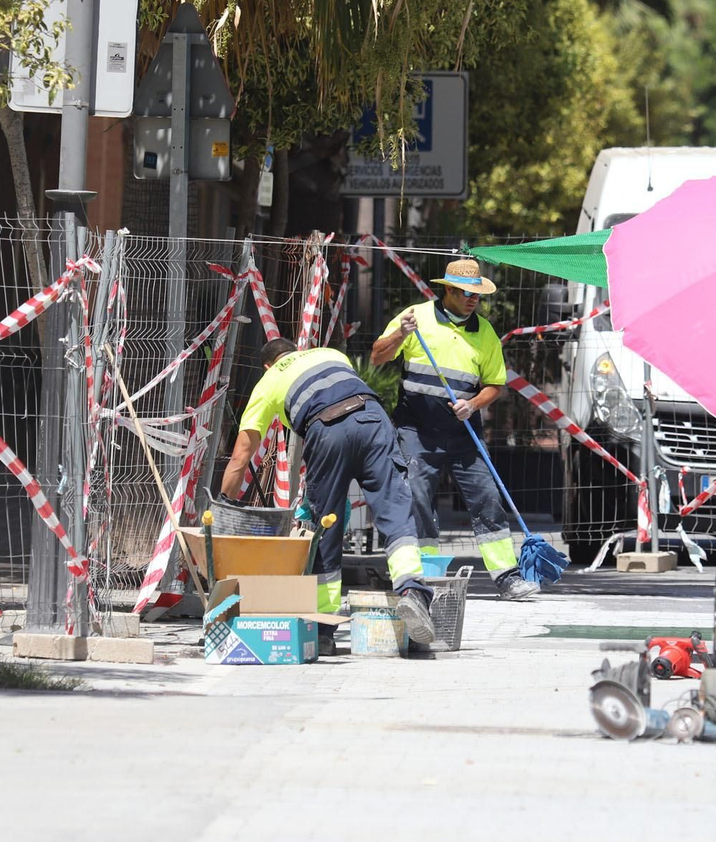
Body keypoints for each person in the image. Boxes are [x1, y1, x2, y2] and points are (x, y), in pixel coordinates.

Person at [220, 338, 435, 645]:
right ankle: (412, 588)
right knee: (394, 508)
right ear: (297, 351)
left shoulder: (269, 381)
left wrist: (225, 504)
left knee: (326, 525)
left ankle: (323, 630)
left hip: (326, 428)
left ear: (267, 366)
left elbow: (242, 455)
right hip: (373, 418)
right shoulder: (328, 354)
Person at [369, 258, 538, 600]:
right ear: (447, 290)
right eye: (465, 292)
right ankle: (424, 575)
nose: (473, 299)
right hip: (415, 429)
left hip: (464, 432)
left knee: (487, 497)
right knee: (416, 497)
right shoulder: (416, 318)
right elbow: (377, 356)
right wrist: (401, 333)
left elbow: (494, 384)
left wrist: (473, 405)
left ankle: (507, 577)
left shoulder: (485, 333)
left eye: (477, 293)